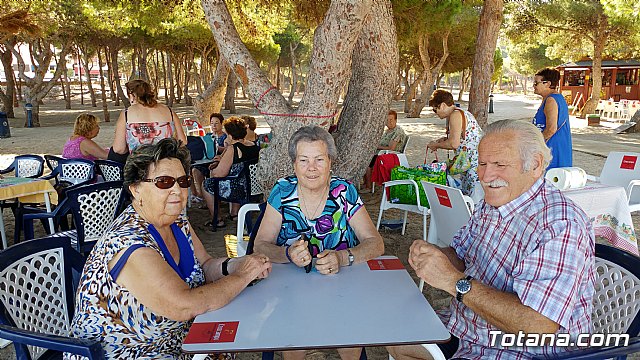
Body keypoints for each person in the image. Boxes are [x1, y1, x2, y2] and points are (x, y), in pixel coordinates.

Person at [387, 120, 595, 360]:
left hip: (522, 350)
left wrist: (453, 281)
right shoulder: (493, 203)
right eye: (483, 163)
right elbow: (463, 256)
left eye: (500, 164)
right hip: (469, 329)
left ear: (535, 165)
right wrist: (435, 256)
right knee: (396, 336)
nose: (486, 176)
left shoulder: (559, 225)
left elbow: (539, 325)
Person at [65, 138, 271, 359]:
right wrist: (244, 275)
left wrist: (235, 264)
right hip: (126, 352)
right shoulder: (129, 242)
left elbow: (206, 265)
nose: (178, 190)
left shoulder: (176, 221)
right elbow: (184, 306)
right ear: (136, 189)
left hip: (174, 341)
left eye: (183, 181)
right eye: (164, 182)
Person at [254, 125, 385, 360]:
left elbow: (375, 243)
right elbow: (260, 244)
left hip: (343, 287)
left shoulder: (344, 192)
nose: (311, 168)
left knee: (349, 340)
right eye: (303, 160)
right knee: (293, 343)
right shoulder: (282, 191)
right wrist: (287, 254)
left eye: (319, 159)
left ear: (330, 162)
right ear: (294, 164)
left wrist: (342, 257)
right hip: (288, 290)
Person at [202, 116, 260, 228]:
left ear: (230, 134)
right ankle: (234, 213)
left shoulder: (233, 149)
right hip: (253, 187)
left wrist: (213, 169)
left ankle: (217, 219)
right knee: (236, 177)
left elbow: (219, 174)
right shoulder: (252, 145)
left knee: (206, 184)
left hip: (238, 189)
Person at [110, 79, 186, 161]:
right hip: (166, 163)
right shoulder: (169, 111)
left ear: (132, 95)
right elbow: (183, 142)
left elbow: (119, 149)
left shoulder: (126, 114)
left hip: (139, 166)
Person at [427, 89, 481, 196]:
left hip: (472, 166)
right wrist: (444, 140)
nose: (436, 113)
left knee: (472, 200)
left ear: (442, 105)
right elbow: (460, 138)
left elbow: (453, 144)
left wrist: (435, 145)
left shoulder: (455, 115)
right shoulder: (461, 113)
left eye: (435, 109)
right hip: (473, 163)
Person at [533, 67, 572, 170]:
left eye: (536, 83)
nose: (534, 86)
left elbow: (551, 129)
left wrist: (535, 144)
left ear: (548, 84)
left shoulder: (551, 100)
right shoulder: (552, 99)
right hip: (553, 148)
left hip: (552, 149)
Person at [362, 110, 407, 191]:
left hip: (390, 156)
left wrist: (376, 147)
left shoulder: (398, 131)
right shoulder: (387, 131)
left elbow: (391, 148)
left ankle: (369, 187)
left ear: (396, 120)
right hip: (382, 153)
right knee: (363, 157)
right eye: (387, 120)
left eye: (391, 120)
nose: (389, 122)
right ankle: (366, 183)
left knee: (367, 162)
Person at [190, 113, 228, 204]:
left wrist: (217, 148)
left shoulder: (225, 137)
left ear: (221, 124)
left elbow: (228, 150)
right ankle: (199, 194)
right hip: (205, 161)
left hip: (218, 162)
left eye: (216, 123)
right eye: (212, 123)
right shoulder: (208, 136)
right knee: (194, 170)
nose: (214, 125)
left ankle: (210, 198)